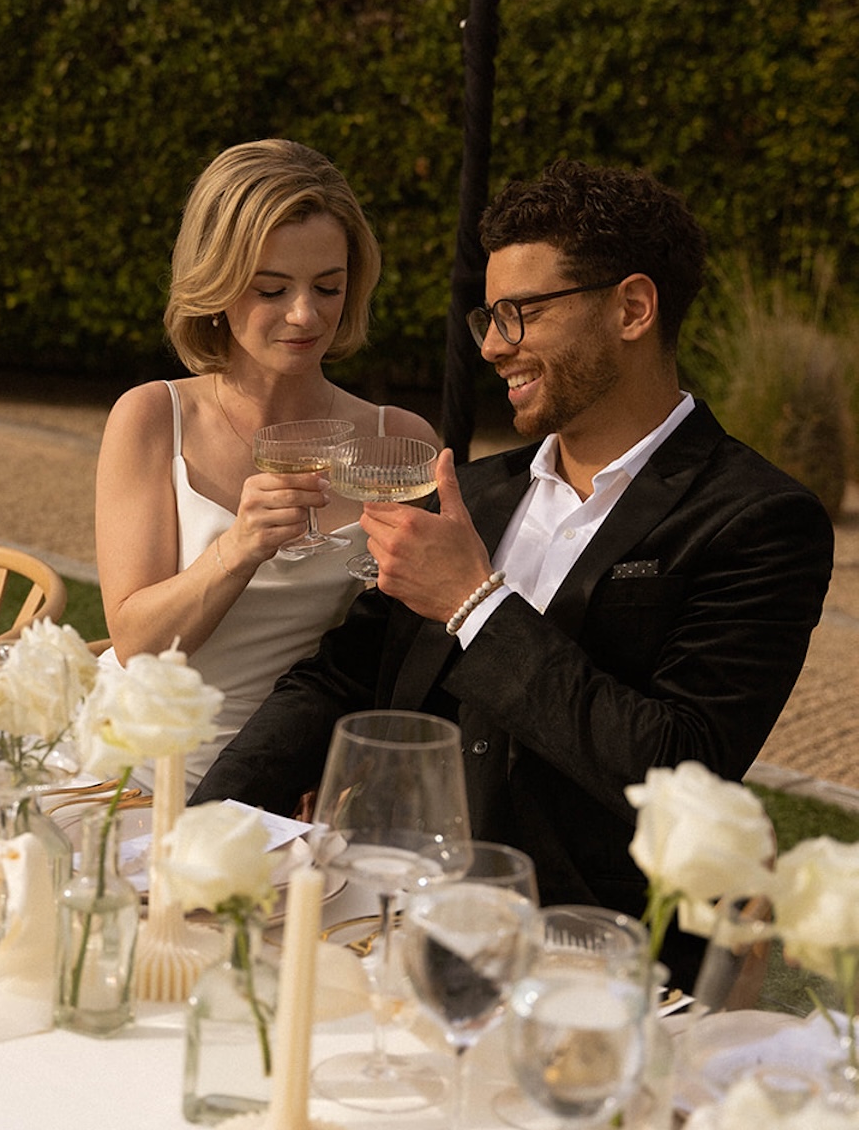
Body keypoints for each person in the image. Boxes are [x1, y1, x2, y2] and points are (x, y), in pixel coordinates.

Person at [191, 162, 835, 983]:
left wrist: (474, 602)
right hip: (376, 914)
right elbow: (335, 683)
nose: (493, 345)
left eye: (520, 314)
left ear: (633, 308)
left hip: (583, 960)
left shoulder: (757, 520)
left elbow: (680, 768)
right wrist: (204, 831)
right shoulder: (475, 492)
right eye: (488, 317)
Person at [95, 138, 437, 790]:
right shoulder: (152, 421)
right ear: (216, 285)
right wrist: (239, 548)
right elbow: (136, 643)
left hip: (298, 787)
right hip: (134, 781)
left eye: (328, 287)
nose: (306, 315)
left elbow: (405, 654)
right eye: (273, 288)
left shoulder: (398, 441)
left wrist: (342, 770)